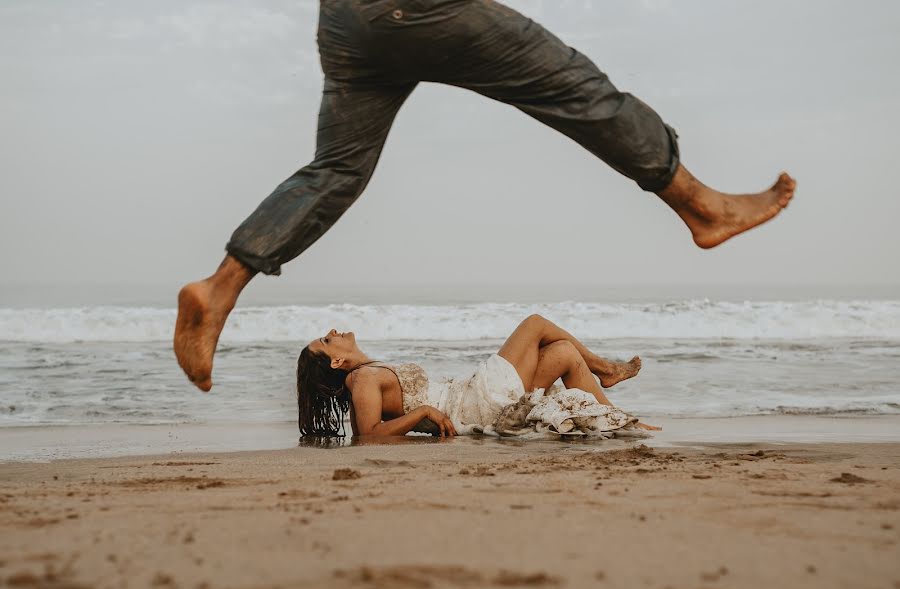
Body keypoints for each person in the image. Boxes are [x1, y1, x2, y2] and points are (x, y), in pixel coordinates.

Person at [175, 0, 796, 392]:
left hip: (344, 19)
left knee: (338, 168)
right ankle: (701, 204)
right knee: (578, 89)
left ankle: (221, 287)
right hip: (418, 8)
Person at [297, 313, 657, 436]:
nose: (334, 331)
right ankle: (607, 369)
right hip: (471, 405)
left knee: (563, 353)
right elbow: (368, 437)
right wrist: (421, 414)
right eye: (328, 340)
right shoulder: (359, 380)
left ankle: (623, 420)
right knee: (534, 324)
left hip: (470, 395)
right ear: (335, 363)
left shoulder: (366, 372)